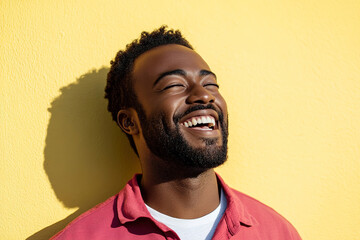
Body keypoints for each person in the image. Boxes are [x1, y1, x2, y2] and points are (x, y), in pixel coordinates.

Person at [51, 26, 301, 240]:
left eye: (210, 84)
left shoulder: (277, 232)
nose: (204, 95)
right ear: (129, 121)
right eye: (174, 85)